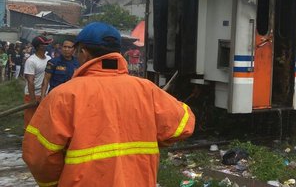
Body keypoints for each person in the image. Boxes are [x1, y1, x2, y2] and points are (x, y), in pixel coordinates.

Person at [23, 22, 195, 187]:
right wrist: (151, 138)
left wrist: (54, 183)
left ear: (83, 51)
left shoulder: (63, 95)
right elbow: (184, 124)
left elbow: (38, 156)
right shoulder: (146, 89)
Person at [23, 36, 52, 127]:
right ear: (39, 46)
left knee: (41, 121)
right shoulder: (31, 61)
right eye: (45, 44)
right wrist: (32, 99)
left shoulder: (49, 59)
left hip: (44, 94)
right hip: (32, 94)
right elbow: (30, 81)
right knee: (30, 121)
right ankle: (27, 139)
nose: (47, 45)